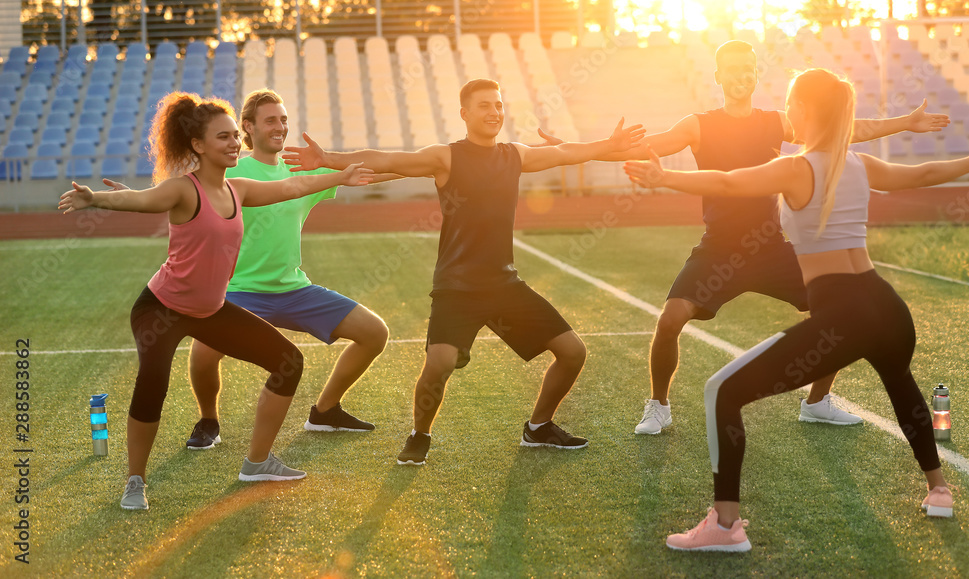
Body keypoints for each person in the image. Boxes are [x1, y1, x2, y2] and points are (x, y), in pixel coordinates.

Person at [623, 67, 969, 551]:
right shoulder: (859, 163)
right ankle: (939, 490)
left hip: (844, 314)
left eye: (792, 104)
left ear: (803, 109)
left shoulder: (796, 167)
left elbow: (728, 181)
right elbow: (925, 174)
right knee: (900, 383)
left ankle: (725, 525)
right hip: (886, 305)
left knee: (721, 391)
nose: (788, 111)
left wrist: (662, 176)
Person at [283, 78, 645, 466]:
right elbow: (387, 159)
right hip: (457, 288)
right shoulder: (446, 157)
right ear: (465, 114)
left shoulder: (514, 155)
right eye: (485, 106)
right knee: (438, 364)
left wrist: (608, 145)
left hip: (504, 284)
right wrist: (328, 159)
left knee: (572, 353)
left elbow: (565, 153)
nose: (494, 113)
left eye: (499, 105)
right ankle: (419, 435)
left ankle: (538, 428)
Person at [608, 40, 951, 434]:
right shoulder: (698, 124)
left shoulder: (777, 121)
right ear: (718, 77)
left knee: (840, 312)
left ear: (756, 73)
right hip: (718, 250)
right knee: (670, 320)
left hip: (770, 247)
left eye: (748, 68)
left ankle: (818, 402)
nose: (741, 75)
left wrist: (905, 121)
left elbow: (842, 131)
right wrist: (588, 150)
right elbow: (644, 146)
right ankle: (658, 406)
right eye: (732, 69)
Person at [58, 92, 373, 510]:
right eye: (222, 137)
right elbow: (138, 200)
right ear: (198, 146)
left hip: (210, 310)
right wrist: (95, 198)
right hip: (161, 309)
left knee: (288, 362)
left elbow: (294, 185)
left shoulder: (238, 189)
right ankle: (135, 480)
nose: (233, 144)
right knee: (153, 382)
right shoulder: (182, 191)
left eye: (233, 137)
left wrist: (339, 176)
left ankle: (257, 461)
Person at [183, 89, 390, 450]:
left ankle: (324, 412)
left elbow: (368, 173)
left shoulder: (302, 170)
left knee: (375, 333)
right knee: (203, 350)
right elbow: (185, 192)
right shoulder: (233, 168)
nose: (280, 127)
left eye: (284, 120)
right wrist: (130, 199)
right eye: (271, 120)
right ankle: (208, 420)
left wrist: (426, 167)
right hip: (240, 291)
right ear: (248, 126)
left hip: (294, 289)